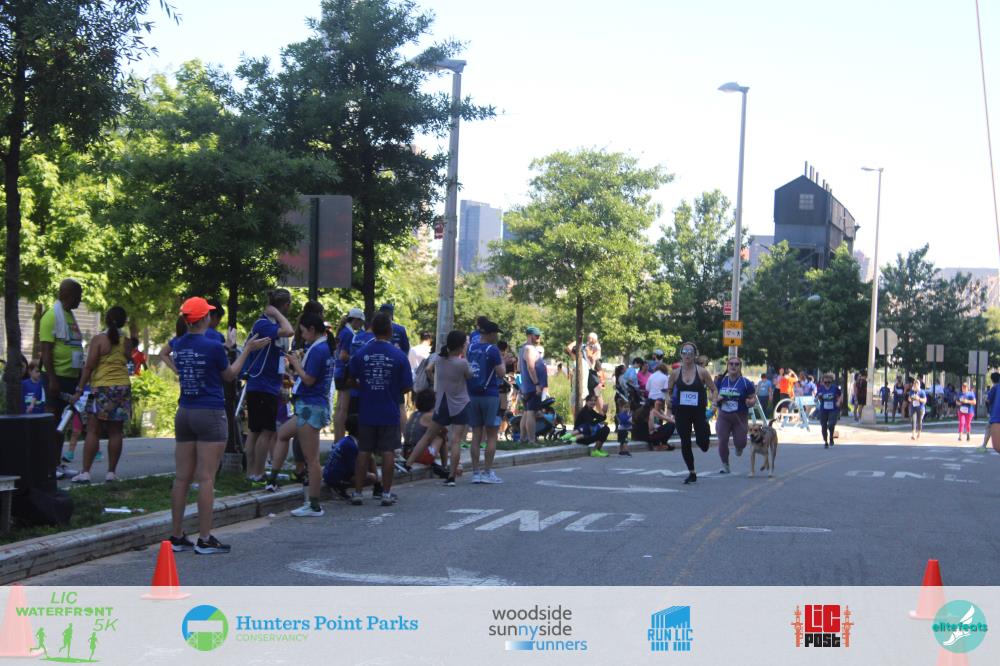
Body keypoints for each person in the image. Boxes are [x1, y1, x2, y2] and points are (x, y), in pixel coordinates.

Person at [169, 297, 269, 555]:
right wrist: (246, 350)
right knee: (206, 477)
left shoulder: (179, 344)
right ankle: (204, 539)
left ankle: (176, 536)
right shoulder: (212, 346)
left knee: (181, 477)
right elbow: (230, 374)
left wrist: (227, 347)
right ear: (204, 318)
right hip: (210, 412)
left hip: (184, 411)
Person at [268, 312, 336, 516]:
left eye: (304, 331)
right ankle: (272, 478)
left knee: (311, 459)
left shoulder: (318, 350)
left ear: (312, 330)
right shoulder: (324, 347)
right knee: (283, 434)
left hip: (310, 407)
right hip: (311, 406)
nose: (302, 336)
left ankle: (314, 504)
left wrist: (295, 364)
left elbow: (308, 380)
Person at [348, 312, 413, 504]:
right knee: (388, 451)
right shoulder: (398, 355)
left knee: (363, 451)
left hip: (367, 409)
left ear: (372, 330)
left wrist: (364, 386)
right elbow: (407, 386)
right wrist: (392, 389)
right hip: (389, 409)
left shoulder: (362, 353)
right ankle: (386, 493)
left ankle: (358, 493)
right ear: (390, 330)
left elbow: (350, 378)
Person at [70, 306, 132, 484]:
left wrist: (79, 389)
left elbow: (89, 367)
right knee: (116, 431)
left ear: (106, 319)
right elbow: (128, 359)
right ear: (124, 322)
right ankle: (111, 473)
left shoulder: (98, 340)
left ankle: (85, 472)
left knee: (93, 430)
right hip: (122, 387)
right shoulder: (126, 342)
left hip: (102, 388)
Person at [407, 330, 472, 486]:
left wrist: (434, 382)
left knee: (428, 435)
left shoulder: (439, 358)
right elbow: (470, 376)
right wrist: (465, 355)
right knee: (456, 440)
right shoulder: (462, 363)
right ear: (461, 345)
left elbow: (428, 369)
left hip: (442, 400)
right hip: (460, 403)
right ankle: (451, 476)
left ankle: (408, 464)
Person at [243, 290, 295, 483]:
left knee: (258, 431)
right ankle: (256, 472)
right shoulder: (263, 324)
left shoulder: (271, 324)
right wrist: (276, 313)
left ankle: (253, 473)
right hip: (261, 384)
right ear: (285, 305)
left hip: (270, 384)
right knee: (263, 431)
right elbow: (289, 331)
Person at [39, 278, 84, 474]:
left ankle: (57, 464)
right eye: (78, 296)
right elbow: (46, 351)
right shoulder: (51, 316)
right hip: (55, 377)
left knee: (63, 424)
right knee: (53, 422)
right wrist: (52, 379)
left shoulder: (69, 316)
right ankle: (48, 466)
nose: (80, 300)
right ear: (67, 294)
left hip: (70, 377)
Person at [664, 342, 718, 485]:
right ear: (681, 354)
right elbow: (668, 391)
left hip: (698, 411)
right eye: (685, 352)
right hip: (682, 412)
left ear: (695, 355)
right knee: (685, 441)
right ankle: (692, 472)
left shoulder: (702, 372)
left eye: (690, 352)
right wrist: (668, 400)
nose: (687, 355)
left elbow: (714, 389)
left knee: (703, 444)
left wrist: (714, 405)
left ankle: (705, 433)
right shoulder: (675, 373)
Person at [466, 321, 506, 484]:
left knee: (476, 434)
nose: (497, 336)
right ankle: (488, 472)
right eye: (496, 333)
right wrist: (502, 360)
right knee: (491, 436)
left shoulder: (470, 348)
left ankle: (475, 472)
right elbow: (501, 373)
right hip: (490, 394)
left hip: (472, 394)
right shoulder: (493, 350)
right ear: (490, 334)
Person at [714, 356, 756, 474]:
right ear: (727, 366)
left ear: (740, 367)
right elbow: (712, 395)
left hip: (740, 417)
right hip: (724, 416)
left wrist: (750, 402)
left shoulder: (746, 383)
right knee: (722, 440)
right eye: (731, 364)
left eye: (736, 364)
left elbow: (753, 398)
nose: (733, 366)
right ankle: (725, 464)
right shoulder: (721, 381)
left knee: (741, 442)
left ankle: (739, 447)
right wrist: (717, 398)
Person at [323, 415, 380, 500]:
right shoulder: (351, 446)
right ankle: (340, 488)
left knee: (370, 456)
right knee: (371, 477)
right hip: (335, 478)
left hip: (331, 474)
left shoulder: (347, 440)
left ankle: (378, 486)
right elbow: (353, 469)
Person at [333, 307, 365, 441]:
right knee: (343, 409)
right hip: (344, 373)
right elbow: (343, 356)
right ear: (356, 320)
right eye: (360, 322)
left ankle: (337, 439)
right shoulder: (349, 334)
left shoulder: (343, 332)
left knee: (339, 408)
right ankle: (339, 440)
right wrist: (355, 359)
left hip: (338, 372)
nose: (361, 326)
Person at [403, 389, 448, 476]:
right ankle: (444, 466)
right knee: (442, 437)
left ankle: (439, 464)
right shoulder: (431, 416)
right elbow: (445, 430)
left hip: (406, 453)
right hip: (421, 456)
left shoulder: (413, 414)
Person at [519, 327, 543, 443]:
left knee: (526, 412)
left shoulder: (522, 348)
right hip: (532, 386)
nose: (538, 338)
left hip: (525, 386)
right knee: (531, 413)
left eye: (539, 336)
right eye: (536, 336)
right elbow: (531, 367)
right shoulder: (529, 349)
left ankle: (522, 438)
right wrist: (537, 383)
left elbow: (519, 367)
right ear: (529, 336)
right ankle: (531, 440)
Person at [816, 372, 843, 448]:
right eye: (825, 382)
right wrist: (819, 396)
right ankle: (825, 441)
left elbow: (841, 395)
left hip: (833, 409)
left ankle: (831, 437)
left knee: (831, 424)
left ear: (831, 381)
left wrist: (838, 402)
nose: (827, 384)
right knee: (823, 426)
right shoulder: (821, 388)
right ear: (823, 382)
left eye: (829, 382)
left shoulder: (835, 388)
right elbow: (816, 397)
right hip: (823, 409)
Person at [982, 372, 1000, 449]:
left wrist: (985, 399)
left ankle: (984, 446)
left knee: (988, 428)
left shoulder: (994, 388)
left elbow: (988, 400)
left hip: (995, 414)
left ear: (992, 380)